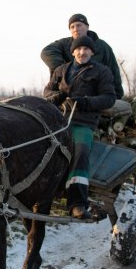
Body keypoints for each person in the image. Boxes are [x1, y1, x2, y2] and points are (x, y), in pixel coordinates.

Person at [43, 36, 116, 219]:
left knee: (80, 152)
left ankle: (77, 203)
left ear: (92, 52)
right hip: (57, 121)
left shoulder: (102, 71)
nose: (82, 52)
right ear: (73, 52)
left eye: (86, 49)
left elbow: (109, 98)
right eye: (78, 49)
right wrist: (56, 96)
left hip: (83, 122)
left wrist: (85, 102)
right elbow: (47, 92)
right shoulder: (61, 70)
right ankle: (39, 195)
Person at [41, 13, 130, 119]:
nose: (75, 29)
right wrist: (64, 69)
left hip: (94, 98)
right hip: (67, 99)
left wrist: (117, 95)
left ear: (87, 27)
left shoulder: (103, 47)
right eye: (72, 27)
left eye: (79, 25)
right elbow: (46, 52)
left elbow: (114, 72)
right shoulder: (64, 44)